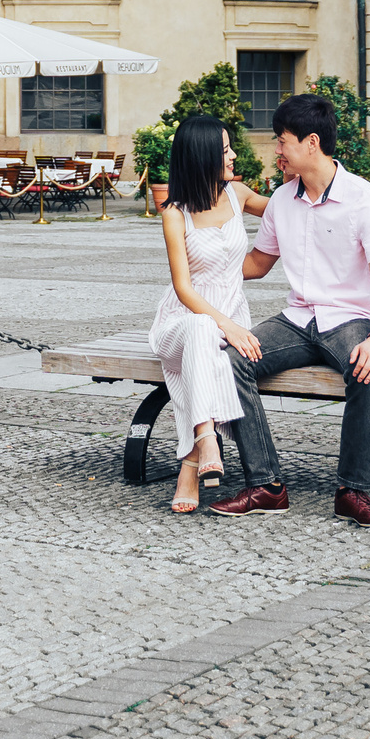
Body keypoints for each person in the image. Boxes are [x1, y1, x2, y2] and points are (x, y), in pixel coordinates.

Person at [209, 92, 370, 529]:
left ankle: (353, 492)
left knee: (367, 370)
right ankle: (267, 485)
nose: (276, 151)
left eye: (282, 141)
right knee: (228, 359)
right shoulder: (281, 200)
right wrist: (197, 269)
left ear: (310, 142)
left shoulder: (364, 200)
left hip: (350, 320)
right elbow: (258, 264)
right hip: (295, 321)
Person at [149, 115, 258, 514]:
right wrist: (226, 325)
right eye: (225, 149)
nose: (233, 155)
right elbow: (183, 287)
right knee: (199, 326)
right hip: (182, 321)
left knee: (207, 339)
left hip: (231, 317)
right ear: (202, 156)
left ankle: (192, 462)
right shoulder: (174, 213)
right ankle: (207, 437)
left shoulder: (239, 195)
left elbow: (291, 213)